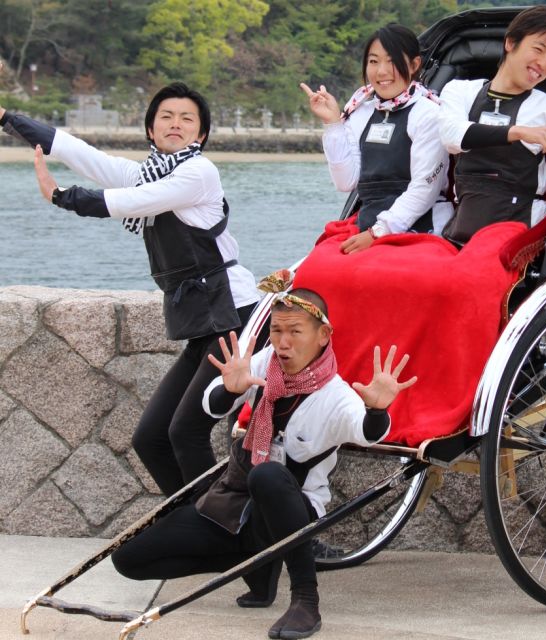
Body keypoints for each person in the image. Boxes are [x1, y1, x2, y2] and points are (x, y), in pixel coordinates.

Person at [0, 82, 261, 496]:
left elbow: (129, 203)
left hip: (235, 316)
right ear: (151, 130)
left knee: (185, 433)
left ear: (202, 134)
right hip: (200, 321)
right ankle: (190, 521)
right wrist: (6, 119)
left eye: (187, 118)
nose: (176, 124)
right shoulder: (143, 174)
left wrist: (60, 197)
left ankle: (224, 527)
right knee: (150, 439)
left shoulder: (199, 173)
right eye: (166, 117)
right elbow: (76, 151)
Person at [112, 288, 416, 640]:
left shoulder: (335, 395)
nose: (283, 342)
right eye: (276, 330)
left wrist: (377, 410)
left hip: (290, 510)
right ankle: (255, 562)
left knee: (269, 476)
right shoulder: (264, 364)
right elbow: (213, 404)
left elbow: (367, 432)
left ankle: (305, 599)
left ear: (323, 336)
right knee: (130, 560)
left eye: (295, 332)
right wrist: (228, 389)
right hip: (232, 502)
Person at [437, 4, 546, 245]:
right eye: (538, 49)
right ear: (510, 43)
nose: (543, 63)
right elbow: (451, 136)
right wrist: (518, 132)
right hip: (461, 228)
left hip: (517, 235)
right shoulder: (460, 90)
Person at [300, 23, 451, 254]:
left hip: (420, 225)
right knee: (318, 270)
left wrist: (379, 232)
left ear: (414, 65)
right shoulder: (361, 112)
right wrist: (333, 124)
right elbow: (346, 182)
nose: (381, 71)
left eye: (392, 61)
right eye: (373, 61)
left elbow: (425, 189)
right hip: (369, 224)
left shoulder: (428, 113)